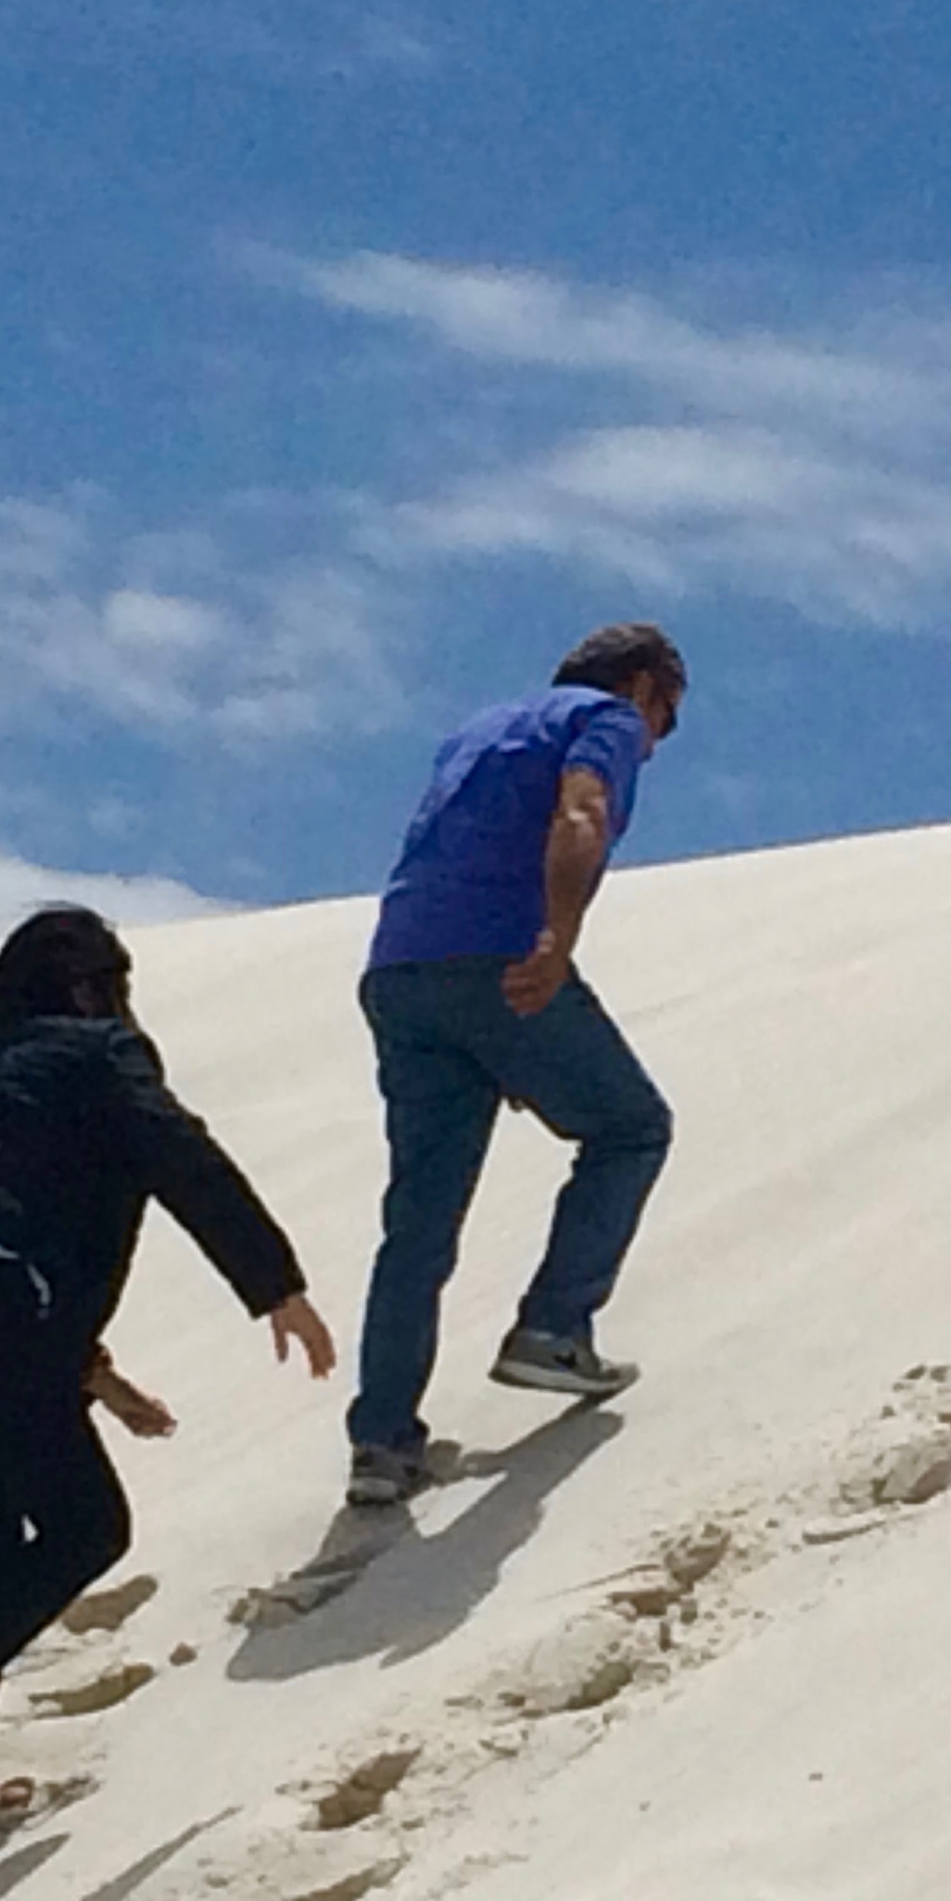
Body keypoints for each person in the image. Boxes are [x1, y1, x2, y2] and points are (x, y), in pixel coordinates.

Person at [0, 904, 334, 1841]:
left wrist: (94, 1375)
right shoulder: (100, 1053)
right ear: (93, 988)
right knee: (88, 1525)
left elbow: (6, 1232)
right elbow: (180, 1159)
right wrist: (275, 1284)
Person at [343, 622, 685, 1508]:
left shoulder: (481, 728)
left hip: (398, 971)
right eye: (668, 715)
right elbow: (582, 813)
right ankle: (554, 1327)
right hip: (497, 961)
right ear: (640, 686)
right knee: (632, 1128)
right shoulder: (606, 721)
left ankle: (381, 1443)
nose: (659, 740)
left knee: (419, 1221)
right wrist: (557, 942)